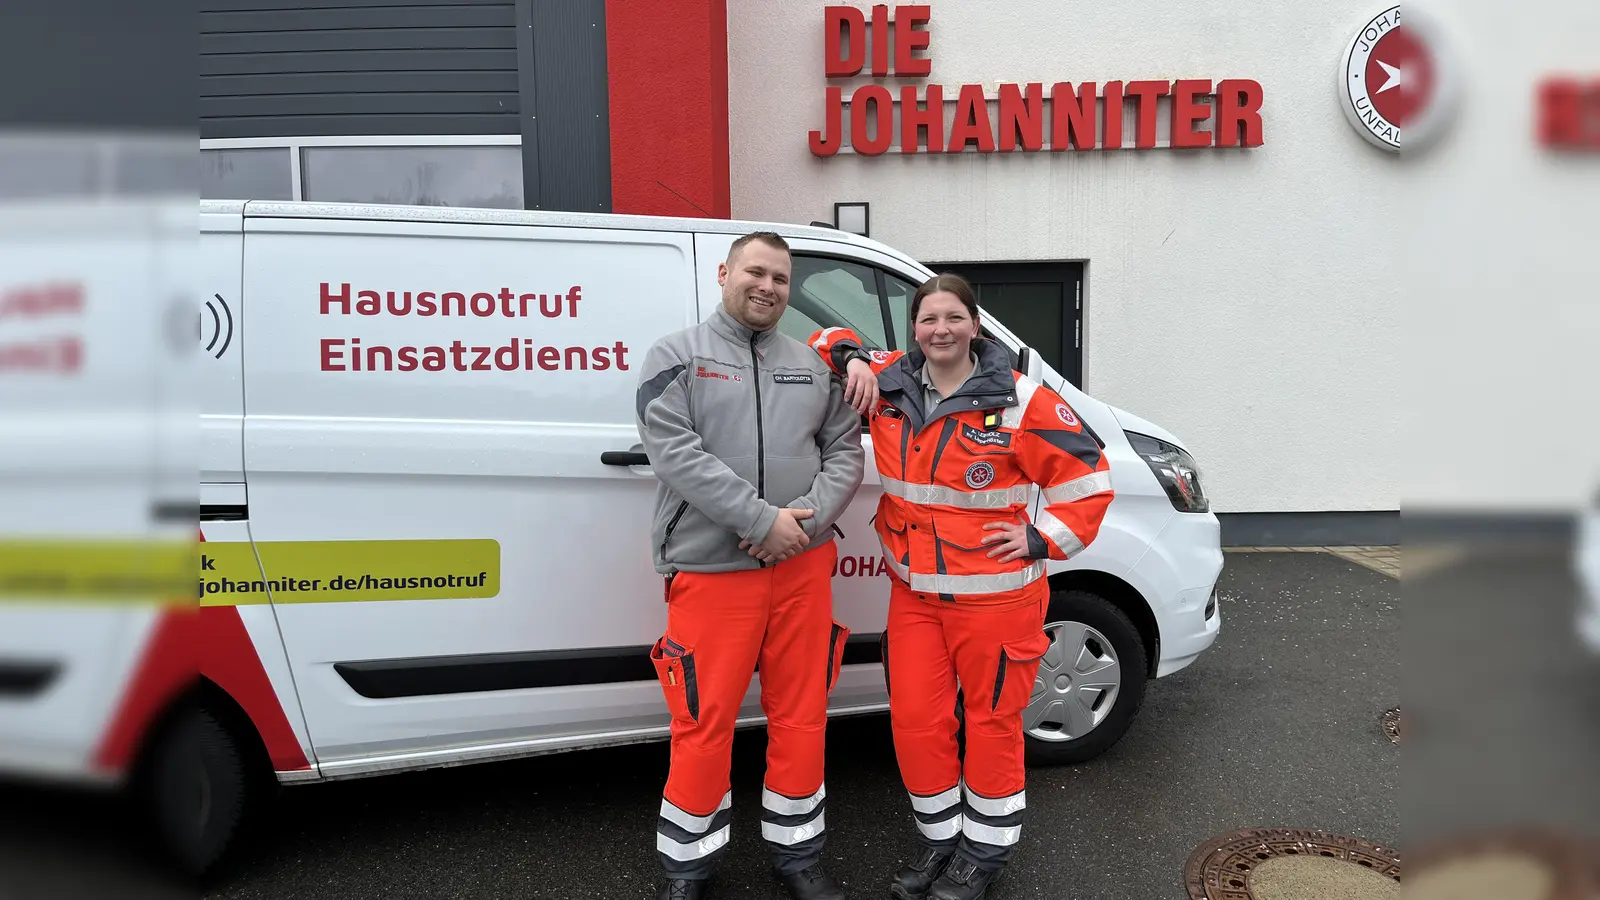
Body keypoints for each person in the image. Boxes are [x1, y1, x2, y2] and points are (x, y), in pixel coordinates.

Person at [808, 274, 1114, 900]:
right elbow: (821, 337)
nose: (940, 330)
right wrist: (854, 357)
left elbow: (1089, 478)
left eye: (953, 318)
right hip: (915, 595)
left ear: (975, 325)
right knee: (917, 723)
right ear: (913, 328)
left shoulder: (1021, 400)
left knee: (993, 723)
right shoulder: (891, 381)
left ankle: (985, 853)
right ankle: (942, 838)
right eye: (928, 319)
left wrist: (1040, 539)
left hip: (996, 598)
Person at [635, 231, 866, 900]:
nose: (768, 286)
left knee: (802, 715)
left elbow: (845, 452)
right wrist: (764, 521)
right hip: (711, 572)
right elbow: (677, 455)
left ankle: (798, 856)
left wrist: (803, 524)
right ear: (724, 273)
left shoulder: (813, 365)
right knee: (703, 722)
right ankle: (689, 867)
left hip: (800, 571)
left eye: (780, 278)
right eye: (755, 272)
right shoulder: (674, 357)